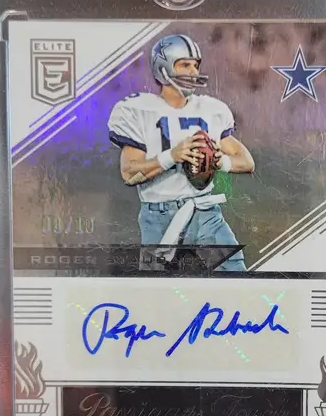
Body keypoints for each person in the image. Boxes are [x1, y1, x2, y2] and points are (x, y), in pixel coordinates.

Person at [108, 34, 255, 271]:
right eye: (185, 65)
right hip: (159, 217)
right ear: (163, 67)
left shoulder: (210, 109)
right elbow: (129, 173)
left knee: (235, 276)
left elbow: (247, 162)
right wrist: (172, 156)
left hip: (204, 212)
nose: (193, 72)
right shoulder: (137, 109)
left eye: (195, 65)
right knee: (161, 289)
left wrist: (221, 161)